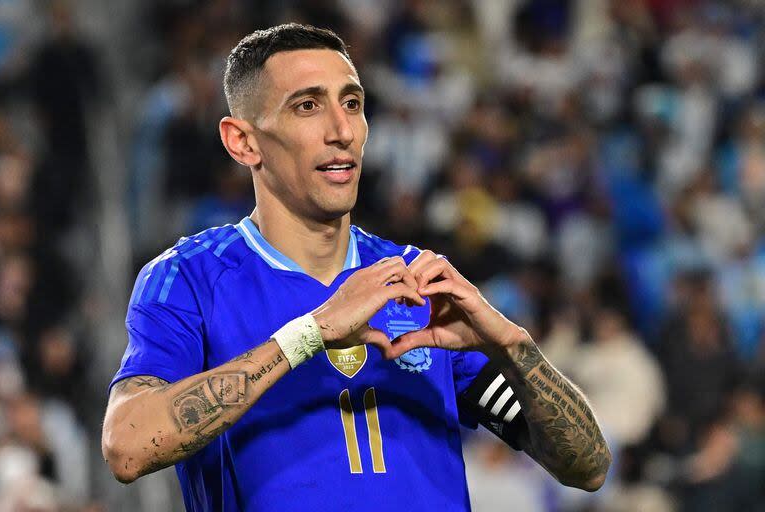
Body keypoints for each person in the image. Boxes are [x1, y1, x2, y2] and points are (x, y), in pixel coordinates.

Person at [101, 23, 610, 511]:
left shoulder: (419, 282)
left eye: (352, 103)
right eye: (307, 106)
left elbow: (588, 467)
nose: (342, 131)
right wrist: (312, 332)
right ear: (244, 142)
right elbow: (127, 445)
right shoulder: (190, 279)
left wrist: (512, 347)